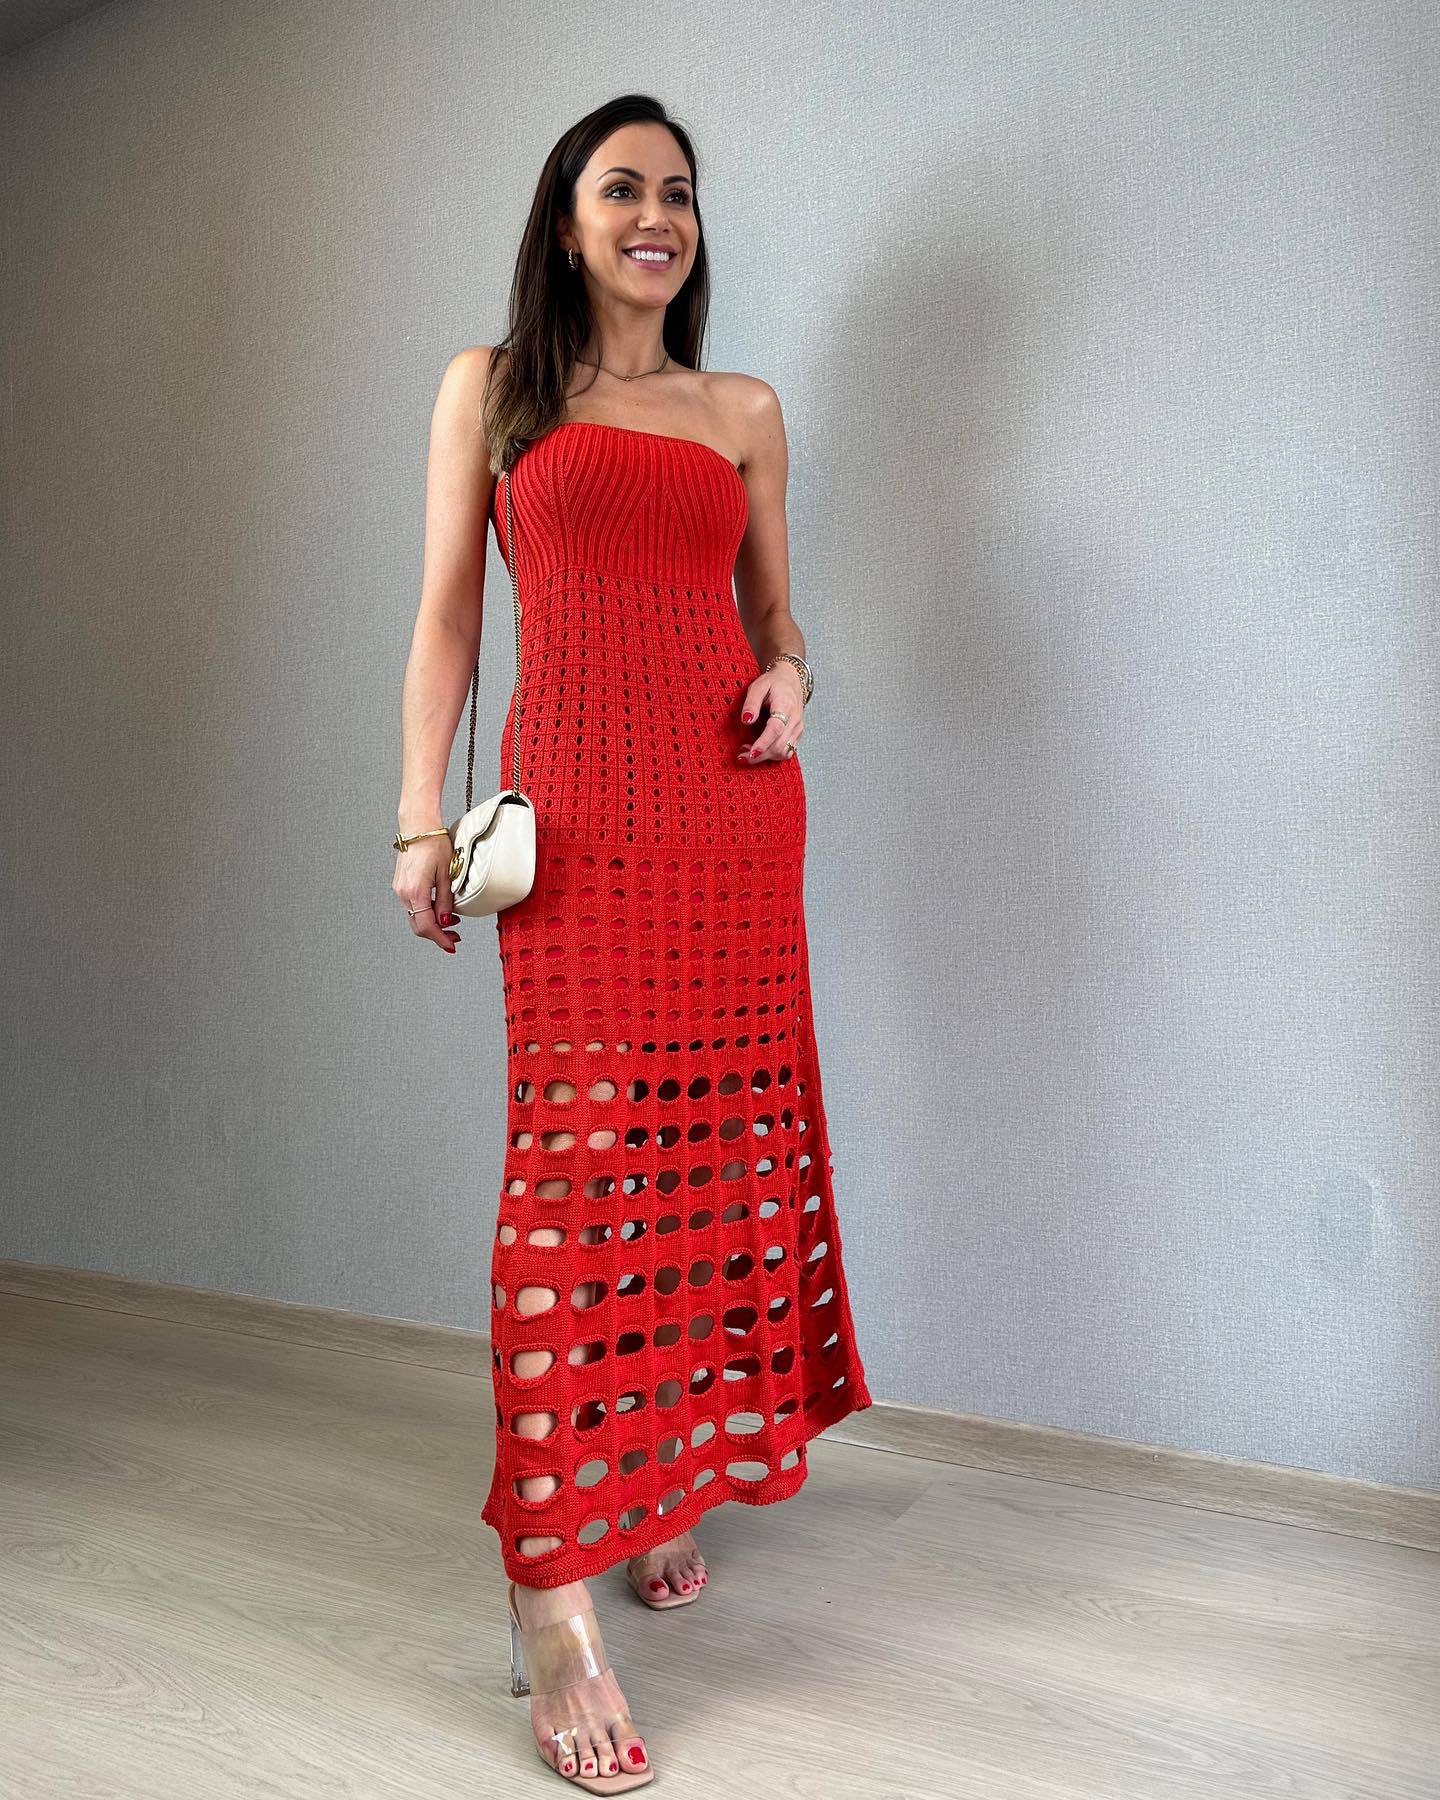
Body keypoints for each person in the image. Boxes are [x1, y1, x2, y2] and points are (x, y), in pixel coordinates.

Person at [392, 94, 872, 1793]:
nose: (656, 215)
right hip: (582, 829)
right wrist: (415, 820)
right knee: (579, 1178)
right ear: (568, 218)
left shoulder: (742, 412)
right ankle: (549, 1585)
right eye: (622, 189)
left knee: (699, 1165)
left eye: (677, 192)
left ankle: (649, 1473)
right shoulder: (495, 389)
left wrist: (793, 671)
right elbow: (450, 616)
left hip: (734, 827)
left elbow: (774, 613)